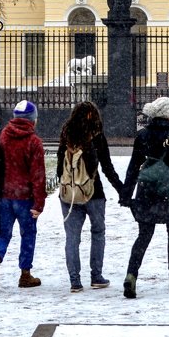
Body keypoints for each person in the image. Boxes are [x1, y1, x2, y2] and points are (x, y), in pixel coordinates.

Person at [120, 97, 169, 299]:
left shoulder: (143, 135)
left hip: (147, 191)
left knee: (143, 235)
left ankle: (131, 275)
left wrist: (126, 194)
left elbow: (133, 167)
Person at [56, 101, 125, 292]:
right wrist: (122, 190)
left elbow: (59, 167)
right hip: (94, 192)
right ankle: (96, 276)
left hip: (69, 195)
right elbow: (107, 167)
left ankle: (75, 281)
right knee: (98, 232)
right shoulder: (96, 136)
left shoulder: (66, 135)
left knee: (72, 237)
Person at [0, 100, 46, 290]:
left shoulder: (0, 135)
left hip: (2, 195)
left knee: (2, 233)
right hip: (25, 197)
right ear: (33, 120)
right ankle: (25, 274)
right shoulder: (34, 142)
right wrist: (39, 204)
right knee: (28, 234)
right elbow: (38, 176)